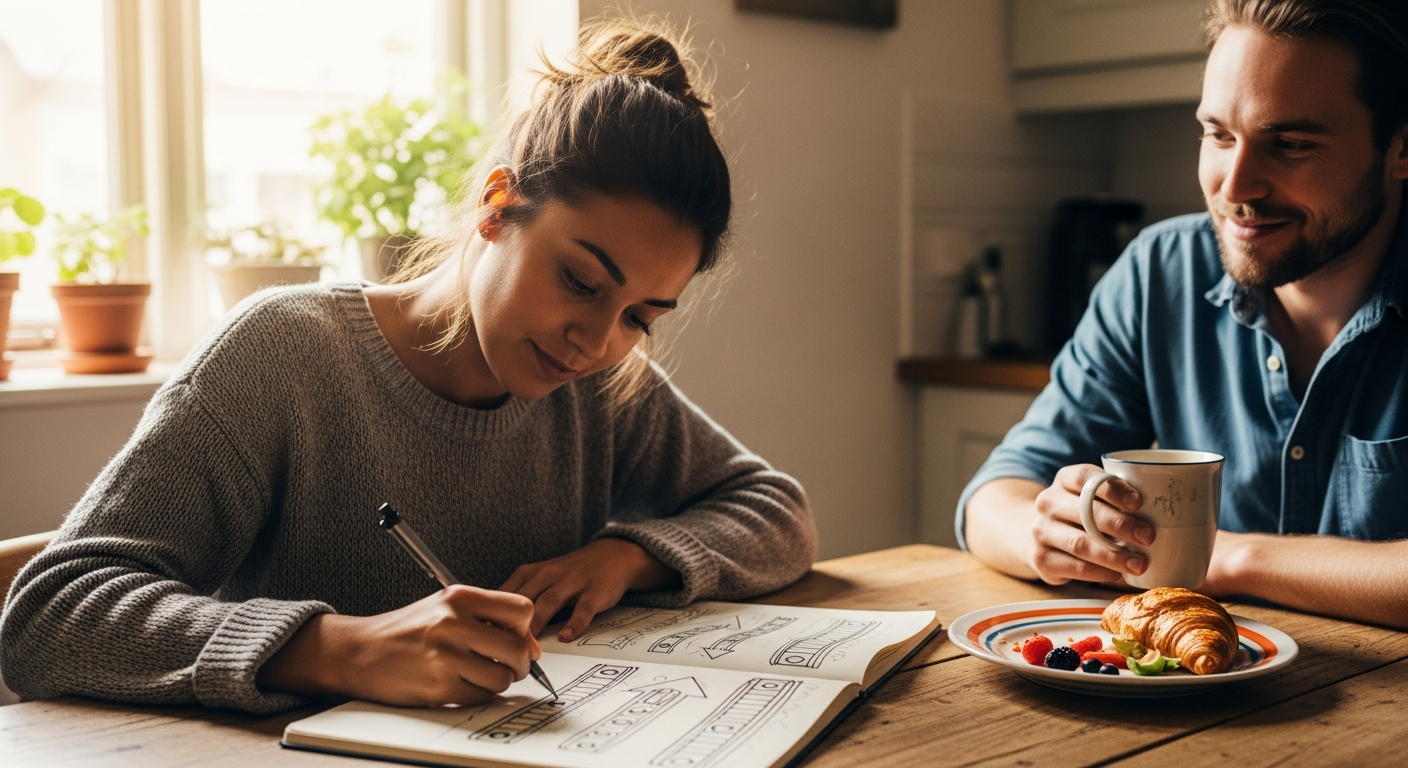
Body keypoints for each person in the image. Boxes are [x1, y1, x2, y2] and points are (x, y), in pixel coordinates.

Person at [0, 19, 817, 714]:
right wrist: (341, 648)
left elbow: (779, 511)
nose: (595, 342)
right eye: (579, 281)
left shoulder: (601, 386)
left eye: (641, 316)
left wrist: (625, 557)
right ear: (499, 205)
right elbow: (47, 616)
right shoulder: (283, 357)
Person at [960, 0, 1408, 630]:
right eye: (1219, 134)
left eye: (1290, 144)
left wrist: (1233, 558)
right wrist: (1049, 534)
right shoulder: (1160, 272)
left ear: (1400, 147)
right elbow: (994, 495)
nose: (1235, 185)